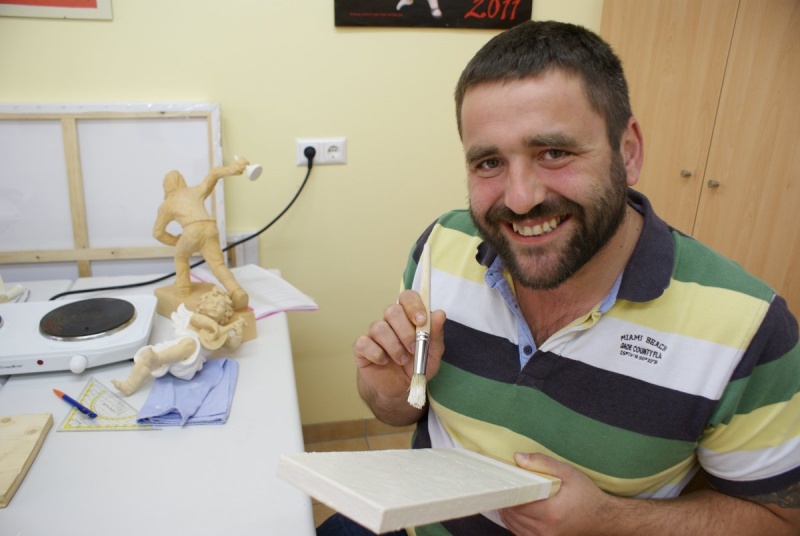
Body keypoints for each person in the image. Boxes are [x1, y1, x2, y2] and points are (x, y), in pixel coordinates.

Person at [321, 20, 800, 536]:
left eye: (553, 153)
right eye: (489, 162)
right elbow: (400, 410)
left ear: (628, 151)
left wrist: (609, 522)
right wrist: (391, 391)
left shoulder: (749, 327)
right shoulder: (441, 247)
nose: (520, 198)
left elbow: (781, 519)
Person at [153, 158, 250, 310]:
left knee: (180, 256)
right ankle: (236, 290)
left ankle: (183, 289)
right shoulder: (194, 191)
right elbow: (213, 174)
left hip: (192, 230)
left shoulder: (167, 204)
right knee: (217, 264)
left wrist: (177, 241)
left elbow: (158, 233)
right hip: (210, 227)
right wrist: (233, 168)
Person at [112, 286, 246, 396]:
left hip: (189, 363)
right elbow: (202, 321)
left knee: (191, 343)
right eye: (211, 302)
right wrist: (217, 327)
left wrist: (238, 334)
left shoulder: (221, 335)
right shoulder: (195, 318)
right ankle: (129, 385)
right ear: (203, 306)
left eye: (220, 305)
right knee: (146, 358)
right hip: (172, 350)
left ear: (225, 312)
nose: (215, 306)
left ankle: (157, 358)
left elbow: (232, 345)